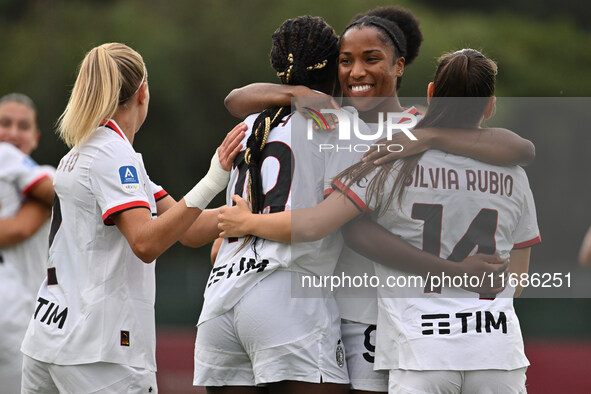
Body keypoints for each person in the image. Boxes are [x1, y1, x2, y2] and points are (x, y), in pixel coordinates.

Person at [220, 6, 534, 394]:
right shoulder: (330, 120)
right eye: (345, 61)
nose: (356, 72)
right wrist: (296, 92)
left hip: (385, 321)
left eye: (372, 60)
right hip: (330, 311)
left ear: (400, 66)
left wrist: (432, 137)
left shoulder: (415, 129)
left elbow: (517, 147)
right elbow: (236, 99)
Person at [19, 42, 246, 394]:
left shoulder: (90, 150)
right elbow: (146, 242)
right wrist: (213, 179)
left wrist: (250, 214)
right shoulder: (113, 155)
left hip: (49, 338)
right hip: (98, 350)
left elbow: (188, 229)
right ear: (143, 92)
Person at [0, 93, 55, 394]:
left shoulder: (48, 177)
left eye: (22, 126)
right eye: (4, 123)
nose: (12, 133)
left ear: (35, 138)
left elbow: (19, 229)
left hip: (24, 316)